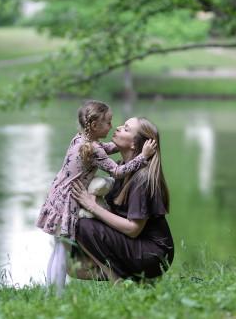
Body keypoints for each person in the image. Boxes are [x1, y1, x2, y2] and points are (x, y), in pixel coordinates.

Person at [36, 101, 157, 293]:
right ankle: (55, 296)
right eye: (108, 122)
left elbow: (106, 149)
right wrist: (142, 156)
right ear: (94, 125)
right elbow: (117, 171)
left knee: (58, 249)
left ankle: (51, 293)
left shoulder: (80, 140)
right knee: (62, 251)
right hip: (67, 203)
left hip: (57, 197)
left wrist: (123, 145)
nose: (112, 126)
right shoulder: (93, 149)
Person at [71, 116, 174, 282]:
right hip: (137, 245)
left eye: (126, 128)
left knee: (82, 225)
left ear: (134, 144)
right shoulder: (122, 170)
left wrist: (93, 207)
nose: (118, 128)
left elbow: (134, 229)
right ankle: (132, 279)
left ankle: (118, 280)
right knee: (74, 263)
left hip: (154, 255)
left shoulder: (142, 179)